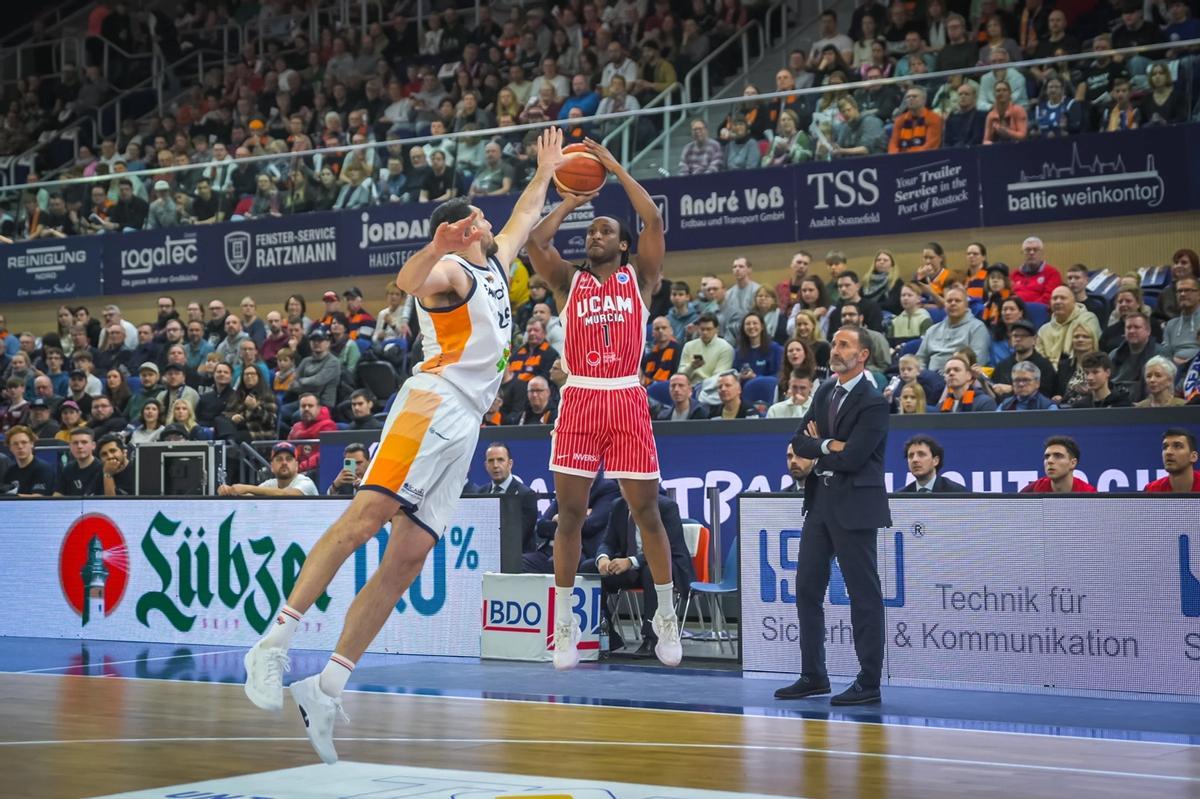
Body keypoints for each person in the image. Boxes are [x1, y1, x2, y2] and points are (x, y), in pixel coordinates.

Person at [241, 128, 566, 765]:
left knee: (409, 557)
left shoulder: (495, 261)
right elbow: (411, 278)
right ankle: (272, 644)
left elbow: (527, 213)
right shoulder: (449, 269)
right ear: (461, 229)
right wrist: (435, 245)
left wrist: (546, 172)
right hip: (431, 403)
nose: (488, 220)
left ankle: (326, 687)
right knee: (364, 518)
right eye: (476, 218)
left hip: (467, 422)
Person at [526, 137, 682, 671]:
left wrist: (614, 168)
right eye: (591, 231)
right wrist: (570, 200)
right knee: (569, 515)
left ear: (622, 245)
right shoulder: (567, 283)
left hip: (625, 397)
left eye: (605, 231)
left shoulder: (640, 278)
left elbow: (653, 220)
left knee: (647, 513)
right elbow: (536, 241)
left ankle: (665, 616)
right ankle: (564, 624)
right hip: (579, 397)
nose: (595, 235)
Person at [777, 326, 890, 705]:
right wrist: (829, 444)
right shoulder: (825, 390)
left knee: (863, 594)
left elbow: (855, 457)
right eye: (835, 344)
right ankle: (813, 675)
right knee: (807, 589)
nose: (835, 350)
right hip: (820, 502)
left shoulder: (873, 402)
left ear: (863, 355)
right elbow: (799, 440)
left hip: (856, 506)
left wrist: (820, 447)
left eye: (845, 345)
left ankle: (868, 682)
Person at [585, 491, 694, 656]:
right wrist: (603, 558)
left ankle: (652, 638)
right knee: (588, 568)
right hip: (630, 569)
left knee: (652, 572)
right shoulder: (619, 506)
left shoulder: (666, 507)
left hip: (666, 565)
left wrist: (631, 561)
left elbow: (668, 548)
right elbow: (608, 541)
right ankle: (605, 633)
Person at [471, 442, 539, 556]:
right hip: (482, 555)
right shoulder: (479, 493)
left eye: (500, 460)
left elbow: (520, 535)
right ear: (486, 465)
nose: (495, 465)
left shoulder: (526, 495)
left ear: (510, 464)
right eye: (491, 461)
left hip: (516, 557)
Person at [916, 288, 992, 372]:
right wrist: (921, 374)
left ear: (966, 305)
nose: (953, 303)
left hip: (960, 376)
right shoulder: (933, 330)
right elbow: (920, 359)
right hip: (930, 376)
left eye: (957, 301)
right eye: (949, 301)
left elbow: (978, 361)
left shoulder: (977, 328)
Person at [220, 441, 320, 497]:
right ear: (272, 467)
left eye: (289, 459)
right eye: (279, 459)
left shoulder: (305, 482)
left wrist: (247, 488)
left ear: (297, 465)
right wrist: (229, 491)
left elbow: (287, 494)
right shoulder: (270, 484)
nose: (284, 462)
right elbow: (249, 497)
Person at [1021, 436, 1097, 493]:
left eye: (1058, 456)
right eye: (1047, 456)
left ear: (1073, 463)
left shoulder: (1089, 494)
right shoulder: (1033, 490)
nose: (1049, 461)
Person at [678, 313, 734, 386]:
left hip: (712, 388)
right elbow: (680, 375)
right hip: (688, 387)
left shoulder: (725, 348)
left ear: (716, 329)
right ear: (698, 329)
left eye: (709, 329)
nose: (705, 332)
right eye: (702, 329)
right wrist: (692, 367)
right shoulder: (688, 346)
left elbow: (719, 377)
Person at [899, 434, 967, 492]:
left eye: (921, 454)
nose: (915, 460)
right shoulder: (900, 496)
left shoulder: (956, 493)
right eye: (911, 456)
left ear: (936, 461)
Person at [0, 426, 53, 496]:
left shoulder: (43, 469)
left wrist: (13, 497)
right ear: (10, 447)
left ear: (32, 444)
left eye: (24, 442)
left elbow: (39, 497)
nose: (20, 447)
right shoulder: (10, 472)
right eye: (15, 444)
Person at [1144, 428, 1200, 493]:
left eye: (1177, 446)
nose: (1168, 452)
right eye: (1165, 447)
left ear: (1193, 457)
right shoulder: (1152, 490)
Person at [53, 427, 103, 496]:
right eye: (75, 443)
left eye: (84, 442)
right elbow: (57, 495)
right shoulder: (68, 469)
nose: (79, 446)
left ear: (93, 445)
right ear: (70, 446)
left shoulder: (102, 469)